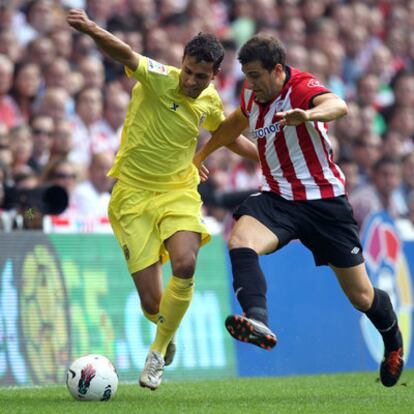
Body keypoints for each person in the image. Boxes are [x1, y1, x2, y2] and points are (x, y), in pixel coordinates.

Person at [194, 34, 404, 387]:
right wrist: (201, 155)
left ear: (278, 70)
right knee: (240, 240)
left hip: (324, 204)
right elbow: (233, 126)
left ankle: (392, 339)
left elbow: (338, 106)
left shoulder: (301, 86)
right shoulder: (251, 93)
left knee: (362, 297)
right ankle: (257, 318)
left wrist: (308, 114)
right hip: (278, 198)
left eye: (257, 75)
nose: (251, 84)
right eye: (246, 75)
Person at [67, 9, 258, 390]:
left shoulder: (210, 102)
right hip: (132, 197)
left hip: (178, 191)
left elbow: (224, 136)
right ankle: (164, 331)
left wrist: (266, 157)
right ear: (182, 62)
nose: (190, 80)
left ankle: (156, 354)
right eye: (188, 70)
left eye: (200, 76)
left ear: (213, 76)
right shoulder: (158, 77)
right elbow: (124, 53)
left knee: (186, 263)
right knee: (153, 303)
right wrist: (90, 28)